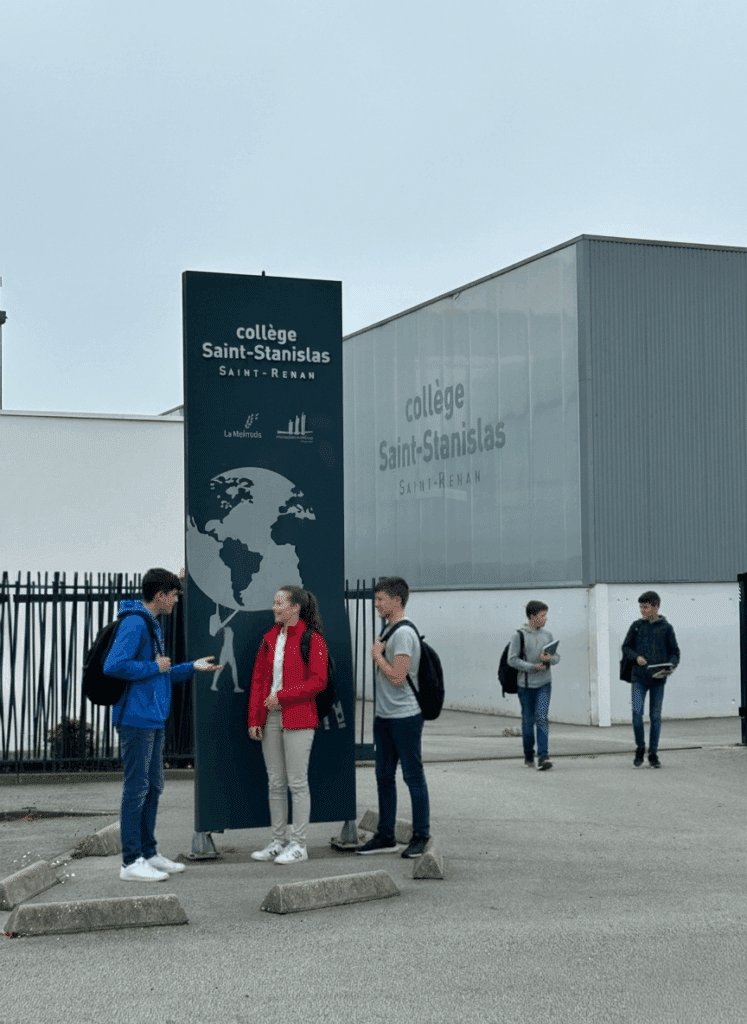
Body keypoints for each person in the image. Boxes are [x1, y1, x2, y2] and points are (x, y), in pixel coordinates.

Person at [105, 567, 220, 881]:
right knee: (137, 789)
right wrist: (152, 665)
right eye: (174, 594)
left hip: (151, 717)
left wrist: (191, 667)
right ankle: (131, 862)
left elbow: (162, 671)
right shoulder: (134, 623)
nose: (176, 600)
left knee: (153, 786)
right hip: (135, 719)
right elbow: (113, 665)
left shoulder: (150, 624)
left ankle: (148, 853)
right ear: (160, 595)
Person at [248, 586, 328, 865]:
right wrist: (254, 718)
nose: (274, 607)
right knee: (276, 783)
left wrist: (281, 697)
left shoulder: (312, 639)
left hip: (299, 717)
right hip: (270, 718)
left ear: (295, 607)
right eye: (274, 602)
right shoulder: (270, 638)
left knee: (296, 782)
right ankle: (278, 841)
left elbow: (318, 682)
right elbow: (259, 680)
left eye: (279, 603)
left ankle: (299, 844)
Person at [357, 576, 431, 859]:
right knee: (384, 776)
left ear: (397, 600)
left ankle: (421, 835)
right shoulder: (389, 629)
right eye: (376, 599)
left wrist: (377, 656)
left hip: (405, 717)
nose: (376, 604)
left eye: (380, 599)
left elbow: (399, 676)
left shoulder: (403, 634)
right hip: (385, 716)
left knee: (413, 776)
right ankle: (385, 835)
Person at [622, 591, 680, 768]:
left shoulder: (666, 628)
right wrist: (635, 656)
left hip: (658, 679)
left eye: (645, 607)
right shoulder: (636, 626)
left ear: (656, 607)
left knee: (655, 716)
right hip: (638, 677)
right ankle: (640, 747)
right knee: (636, 715)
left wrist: (670, 665)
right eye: (640, 607)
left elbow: (675, 652)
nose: (642, 610)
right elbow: (626, 647)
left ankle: (653, 753)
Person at [507, 600, 560, 770]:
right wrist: (531, 667)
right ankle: (528, 754)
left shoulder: (548, 635)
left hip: (545, 684)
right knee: (528, 721)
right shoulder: (519, 636)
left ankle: (543, 756)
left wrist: (550, 659)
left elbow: (557, 657)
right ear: (532, 616)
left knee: (542, 718)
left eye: (545, 615)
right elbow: (512, 659)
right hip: (526, 686)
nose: (545, 619)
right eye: (542, 615)